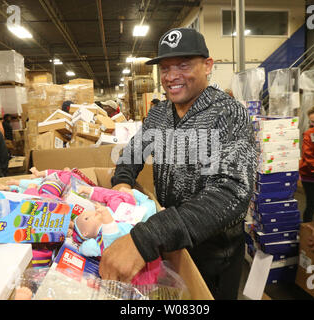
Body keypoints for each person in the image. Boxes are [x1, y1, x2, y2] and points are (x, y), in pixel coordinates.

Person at [98, 28, 257, 299]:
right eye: (165, 68)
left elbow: (232, 193)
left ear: (208, 66)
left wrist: (146, 238)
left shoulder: (228, 112)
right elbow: (133, 153)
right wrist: (122, 182)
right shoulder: (160, 113)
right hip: (168, 246)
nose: (171, 77)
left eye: (183, 65)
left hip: (213, 257)